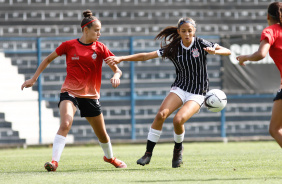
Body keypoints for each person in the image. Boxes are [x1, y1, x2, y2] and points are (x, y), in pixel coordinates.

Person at [105, 17, 231, 168]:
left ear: (194, 31)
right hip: (180, 88)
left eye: (190, 31)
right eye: (183, 31)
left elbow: (227, 51)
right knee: (161, 115)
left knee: (178, 120)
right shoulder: (173, 48)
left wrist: (215, 51)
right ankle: (148, 153)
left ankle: (178, 149)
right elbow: (146, 55)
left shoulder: (201, 43)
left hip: (198, 92)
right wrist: (122, 58)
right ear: (178, 32)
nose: (187, 34)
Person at [21, 9, 127, 171]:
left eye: (100, 31)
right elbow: (48, 59)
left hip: (90, 96)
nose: (99, 34)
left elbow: (117, 69)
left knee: (102, 135)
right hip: (69, 92)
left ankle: (110, 157)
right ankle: (54, 162)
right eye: (96, 30)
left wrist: (117, 75)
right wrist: (33, 79)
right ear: (86, 30)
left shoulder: (100, 48)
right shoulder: (69, 45)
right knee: (65, 123)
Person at [236, 2, 282, 147]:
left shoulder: (270, 31)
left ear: (268, 16)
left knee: (275, 129)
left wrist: (245, 57)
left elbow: (261, 54)